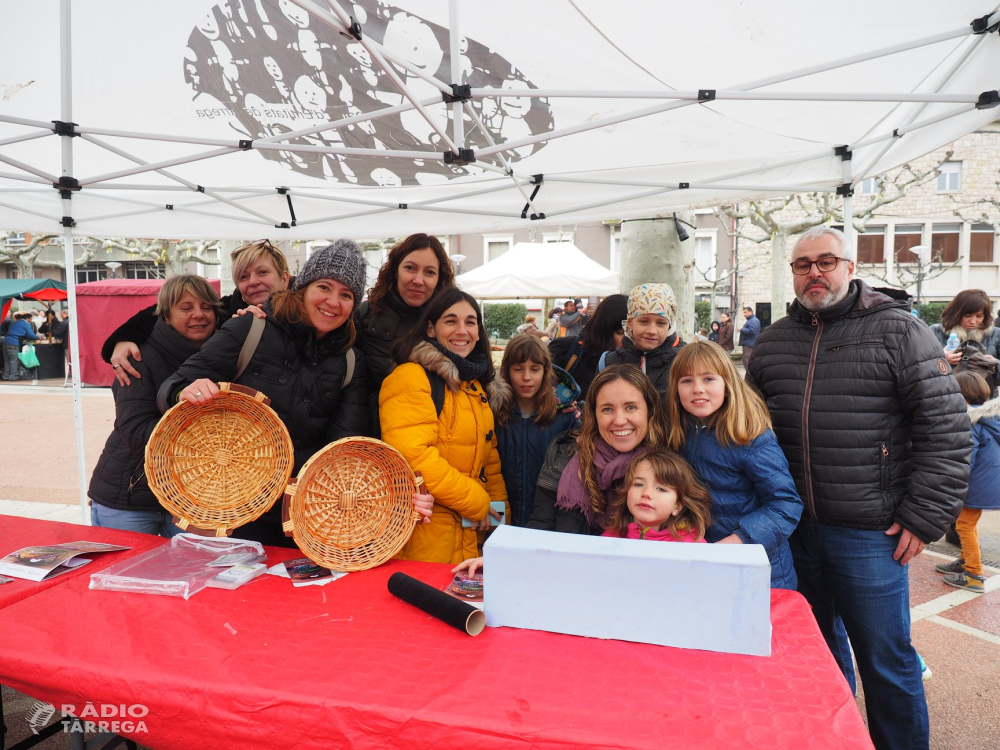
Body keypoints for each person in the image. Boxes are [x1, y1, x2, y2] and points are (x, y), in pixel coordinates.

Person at [745, 225, 971, 750]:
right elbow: (748, 431)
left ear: (850, 267)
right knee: (819, 659)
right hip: (795, 530)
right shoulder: (774, 341)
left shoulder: (899, 331)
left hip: (871, 533)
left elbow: (946, 430)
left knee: (887, 663)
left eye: (826, 261)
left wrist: (923, 516)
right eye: (803, 264)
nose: (814, 272)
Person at [158, 240, 372, 546]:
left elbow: (341, 448)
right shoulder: (251, 328)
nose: (333, 302)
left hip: (301, 517)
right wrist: (184, 391)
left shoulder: (351, 361)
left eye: (346, 295)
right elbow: (173, 386)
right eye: (324, 287)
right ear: (302, 287)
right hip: (232, 511)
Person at [379, 288, 507, 564]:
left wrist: (497, 514)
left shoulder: (474, 385)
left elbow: (489, 460)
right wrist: (479, 504)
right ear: (431, 328)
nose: (462, 330)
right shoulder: (410, 377)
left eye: (470, 322)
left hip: (467, 534)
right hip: (422, 537)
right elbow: (413, 456)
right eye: (451, 321)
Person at [89, 276, 223, 536]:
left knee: (199, 573)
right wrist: (206, 440)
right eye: (185, 308)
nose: (199, 315)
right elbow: (137, 433)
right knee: (127, 575)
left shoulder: (223, 353)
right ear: (166, 316)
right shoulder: (137, 357)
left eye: (207, 307)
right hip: (131, 497)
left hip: (190, 500)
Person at [667, 341, 802, 589]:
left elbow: (786, 505)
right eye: (686, 381)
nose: (698, 389)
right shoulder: (676, 433)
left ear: (728, 383)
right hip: (701, 564)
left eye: (708, 379)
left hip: (757, 571)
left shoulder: (750, 437)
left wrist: (737, 541)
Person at [104, 239, 292, 386]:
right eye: (243, 276)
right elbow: (167, 311)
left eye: (262, 272)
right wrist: (124, 339)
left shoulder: (309, 312)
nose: (253, 281)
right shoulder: (230, 314)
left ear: (284, 278)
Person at [527, 364, 670, 534]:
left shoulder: (668, 468)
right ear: (594, 415)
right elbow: (539, 529)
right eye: (607, 409)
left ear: (649, 411)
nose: (619, 420)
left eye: (630, 407)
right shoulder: (565, 457)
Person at [356, 233, 457, 435]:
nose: (418, 280)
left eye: (429, 272)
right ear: (395, 271)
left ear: (439, 279)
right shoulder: (364, 317)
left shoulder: (453, 323)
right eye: (410, 268)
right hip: (379, 444)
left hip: (439, 444)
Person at [494, 335, 579, 527]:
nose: (526, 377)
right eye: (518, 369)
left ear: (546, 371)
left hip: (547, 523)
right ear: (506, 371)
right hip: (500, 520)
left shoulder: (566, 417)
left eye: (535, 369)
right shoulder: (494, 414)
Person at [935, 371, 999, 594]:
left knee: (964, 525)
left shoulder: (971, 420)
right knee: (968, 524)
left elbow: (966, 458)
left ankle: (973, 574)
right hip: (988, 483)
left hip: (977, 484)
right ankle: (964, 561)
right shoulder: (990, 418)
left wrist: (953, 483)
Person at [601, 451, 711, 543]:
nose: (646, 493)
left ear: (677, 506)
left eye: (661, 489)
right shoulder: (611, 539)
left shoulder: (691, 545)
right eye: (638, 484)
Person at [602, 283, 685, 398]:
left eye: (661, 323)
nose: (652, 331)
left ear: (669, 326)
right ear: (630, 322)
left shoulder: (685, 360)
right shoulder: (608, 363)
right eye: (644, 321)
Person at [548, 294, 627, 400]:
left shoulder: (639, 361)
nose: (628, 341)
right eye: (621, 333)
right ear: (604, 329)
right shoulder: (564, 348)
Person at [3, 312, 39, 381]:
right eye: (30, 319)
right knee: (14, 360)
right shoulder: (25, 324)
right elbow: (30, 335)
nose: (31, 321)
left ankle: (6, 375)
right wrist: (38, 337)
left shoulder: (15, 322)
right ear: (27, 318)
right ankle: (13, 376)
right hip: (14, 342)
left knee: (7, 360)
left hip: (6, 341)